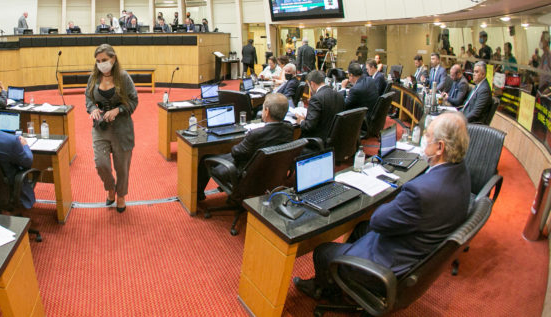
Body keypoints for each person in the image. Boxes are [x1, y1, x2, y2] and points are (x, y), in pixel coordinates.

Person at [294, 112, 471, 302]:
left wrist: (395, 201)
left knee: (323, 251)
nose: (424, 140)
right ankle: (343, 279)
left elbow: (379, 220)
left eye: (428, 136)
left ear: (440, 148)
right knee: (361, 227)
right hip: (415, 248)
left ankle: (326, 291)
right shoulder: (461, 172)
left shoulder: (421, 192)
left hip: (393, 264)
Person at [196, 93, 293, 200]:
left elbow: (236, 153)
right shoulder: (289, 129)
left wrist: (240, 142)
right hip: (270, 173)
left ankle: (198, 196)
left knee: (205, 158)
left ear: (267, 111)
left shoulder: (255, 134)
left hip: (246, 175)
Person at [85, 44, 138, 213]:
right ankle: (110, 188)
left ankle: (121, 195)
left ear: (113, 59)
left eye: (104, 60)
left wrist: (118, 110)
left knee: (122, 166)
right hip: (100, 128)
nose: (101, 64)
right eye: (98, 61)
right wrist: (92, 108)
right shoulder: (94, 78)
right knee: (101, 164)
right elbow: (88, 98)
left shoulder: (123, 77)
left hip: (121, 129)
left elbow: (133, 101)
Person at [296, 70, 344, 142]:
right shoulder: (339, 95)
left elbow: (309, 126)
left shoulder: (316, 98)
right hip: (335, 139)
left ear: (312, 84)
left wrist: (302, 121)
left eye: (308, 86)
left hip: (319, 140)